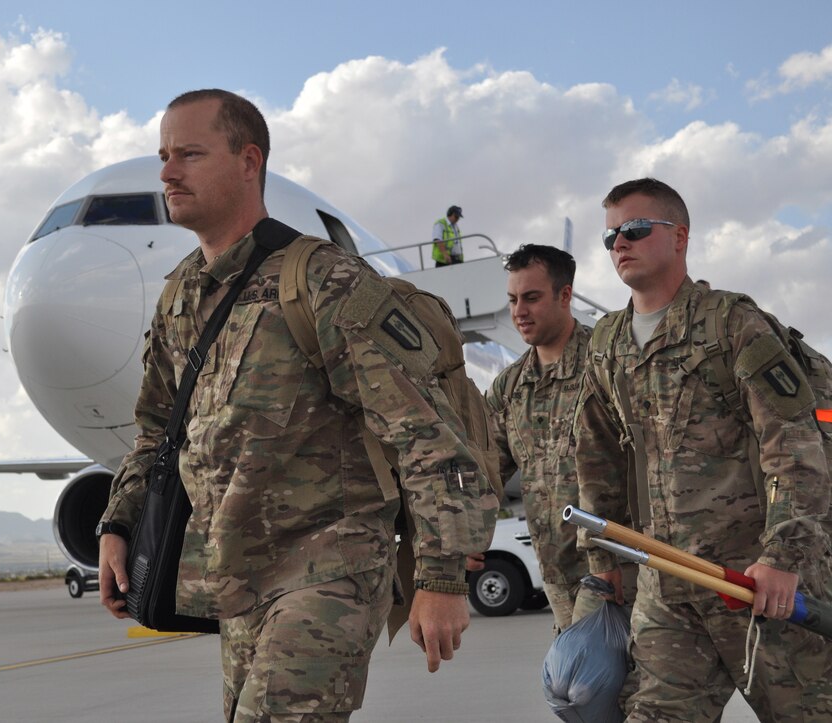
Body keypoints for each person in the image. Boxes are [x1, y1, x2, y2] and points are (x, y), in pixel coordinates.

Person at [97, 88, 496, 722]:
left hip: (328, 568)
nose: (168, 173)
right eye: (164, 156)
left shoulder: (323, 281)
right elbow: (157, 429)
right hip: (236, 577)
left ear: (248, 161)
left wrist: (440, 578)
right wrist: (119, 523)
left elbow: (427, 436)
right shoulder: (182, 294)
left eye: (191, 154)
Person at [576, 177, 832, 721]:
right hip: (666, 584)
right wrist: (607, 562)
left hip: (755, 583)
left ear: (680, 236)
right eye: (611, 237)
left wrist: (783, 559)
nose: (620, 243)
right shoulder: (605, 344)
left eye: (636, 229)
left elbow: (793, 444)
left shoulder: (732, 325)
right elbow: (597, 458)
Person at [485, 244, 635, 633]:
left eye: (531, 298)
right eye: (513, 299)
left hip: (618, 567)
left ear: (565, 295)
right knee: (580, 686)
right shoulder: (511, 386)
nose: (519, 311)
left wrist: (609, 562)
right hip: (555, 575)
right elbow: (487, 469)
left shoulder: (607, 364)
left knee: (603, 683)